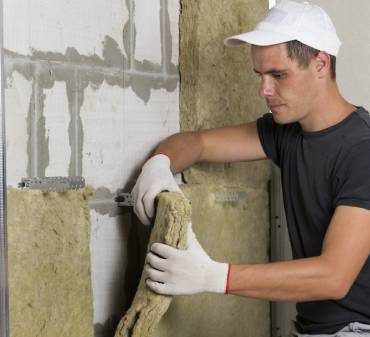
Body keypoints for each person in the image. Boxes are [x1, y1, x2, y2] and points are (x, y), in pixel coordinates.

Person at [131, 1, 370, 336]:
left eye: (278, 75)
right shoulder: (286, 132)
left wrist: (213, 276)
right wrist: (159, 164)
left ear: (320, 64)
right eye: (260, 75)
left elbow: (334, 277)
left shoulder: (362, 150)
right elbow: (198, 143)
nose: (264, 90)